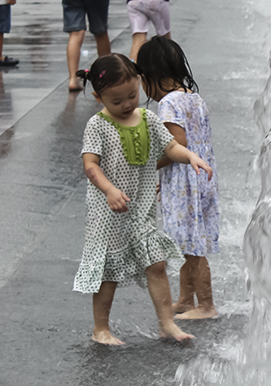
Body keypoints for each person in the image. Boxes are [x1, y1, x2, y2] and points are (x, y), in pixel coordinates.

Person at [74, 54, 213, 345]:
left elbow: (171, 146)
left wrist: (189, 157)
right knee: (108, 272)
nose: (126, 105)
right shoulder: (97, 126)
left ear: (139, 83)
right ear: (99, 97)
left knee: (157, 264)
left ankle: (167, 324)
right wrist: (110, 190)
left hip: (141, 210)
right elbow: (90, 165)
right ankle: (101, 328)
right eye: (116, 101)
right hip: (108, 213)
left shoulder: (148, 119)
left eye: (132, 96)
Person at [138, 37, 220, 319]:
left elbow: (176, 144)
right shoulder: (193, 97)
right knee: (187, 243)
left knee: (193, 249)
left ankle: (207, 306)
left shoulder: (169, 103)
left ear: (150, 76)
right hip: (199, 180)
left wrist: (149, 167)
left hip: (186, 184)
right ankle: (186, 299)